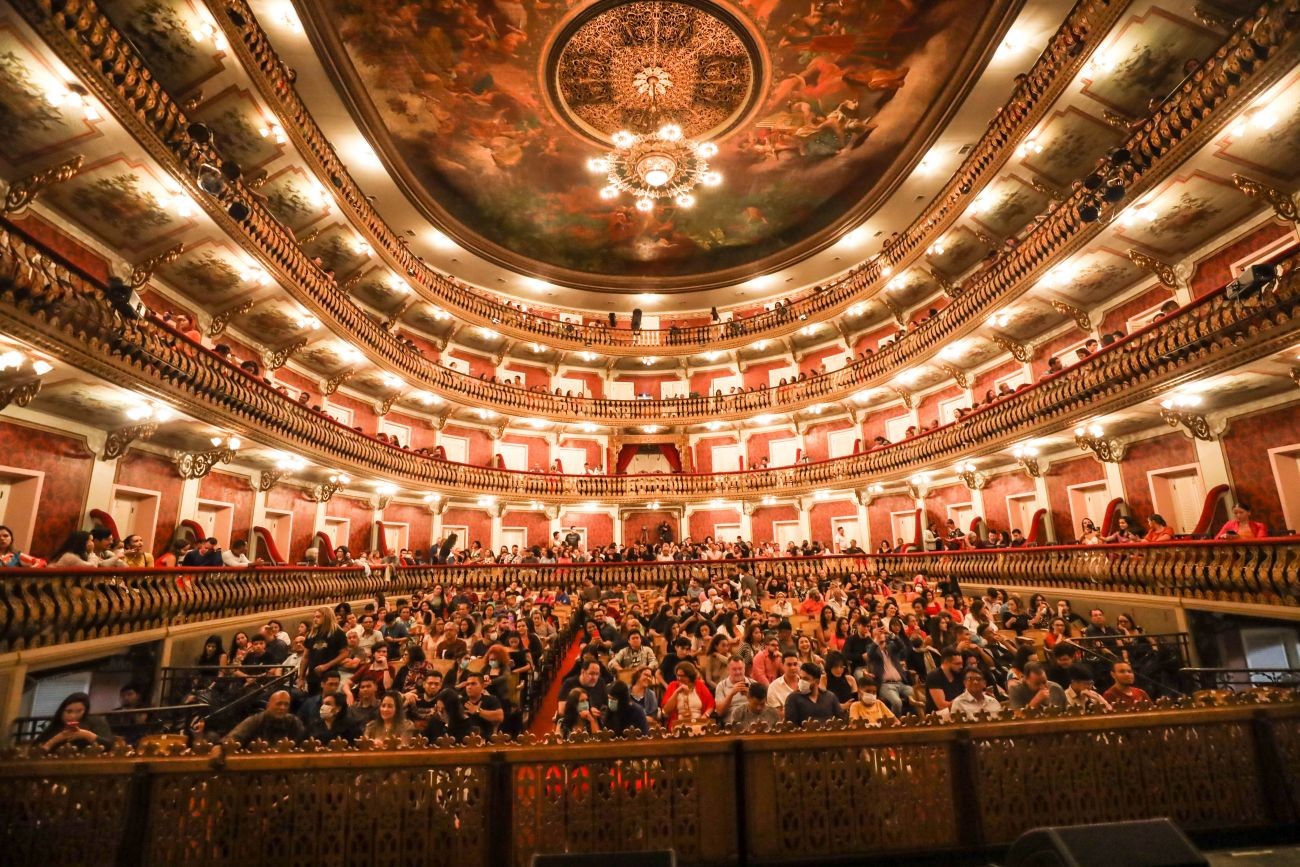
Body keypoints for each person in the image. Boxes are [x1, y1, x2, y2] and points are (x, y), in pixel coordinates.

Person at [220, 690, 304, 751]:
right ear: (268, 705)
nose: (282, 708)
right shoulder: (255, 720)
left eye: (286, 704)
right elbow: (232, 738)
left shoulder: (294, 722)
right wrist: (219, 747)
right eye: (279, 704)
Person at [36, 692, 114, 751]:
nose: (73, 716)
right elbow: (36, 749)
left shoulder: (96, 721)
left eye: (79, 711)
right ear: (61, 711)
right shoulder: (56, 726)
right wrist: (56, 739)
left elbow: (109, 745)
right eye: (69, 711)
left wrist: (86, 735)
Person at [299, 606, 349, 694]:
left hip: (329, 675)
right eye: (314, 617)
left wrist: (326, 666)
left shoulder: (338, 633)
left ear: (326, 617)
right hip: (313, 675)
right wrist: (301, 678)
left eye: (318, 617)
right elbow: (305, 657)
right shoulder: (311, 634)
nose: (315, 619)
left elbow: (344, 654)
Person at [784, 662, 846, 726]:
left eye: (806, 679)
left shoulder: (830, 697)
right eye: (801, 678)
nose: (801, 682)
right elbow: (790, 727)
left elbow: (841, 721)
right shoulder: (793, 699)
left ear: (817, 681)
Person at [661, 661, 714, 730]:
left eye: (682, 676)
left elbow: (711, 704)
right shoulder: (673, 686)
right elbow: (666, 711)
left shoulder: (699, 685)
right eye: (678, 675)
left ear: (690, 676)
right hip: (678, 726)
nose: (679, 678)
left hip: (698, 724)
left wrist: (705, 716)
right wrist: (676, 692)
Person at [713, 656, 754, 727]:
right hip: (731, 724)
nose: (738, 672)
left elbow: (761, 708)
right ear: (728, 670)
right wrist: (731, 693)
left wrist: (749, 696)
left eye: (740, 669)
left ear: (744, 669)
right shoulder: (721, 686)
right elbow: (719, 712)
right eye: (734, 669)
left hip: (751, 722)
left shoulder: (753, 684)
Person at [462, 672, 504, 739]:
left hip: (486, 740)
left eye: (473, 684)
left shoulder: (490, 699)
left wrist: (478, 711)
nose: (469, 687)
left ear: (482, 686)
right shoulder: (462, 701)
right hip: (464, 741)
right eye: (467, 684)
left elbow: (500, 716)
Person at [924, 648, 965, 714]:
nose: (961, 666)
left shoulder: (959, 674)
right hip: (937, 717)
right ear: (946, 662)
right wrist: (964, 702)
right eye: (957, 664)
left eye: (961, 664)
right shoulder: (934, 676)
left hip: (958, 713)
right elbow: (942, 706)